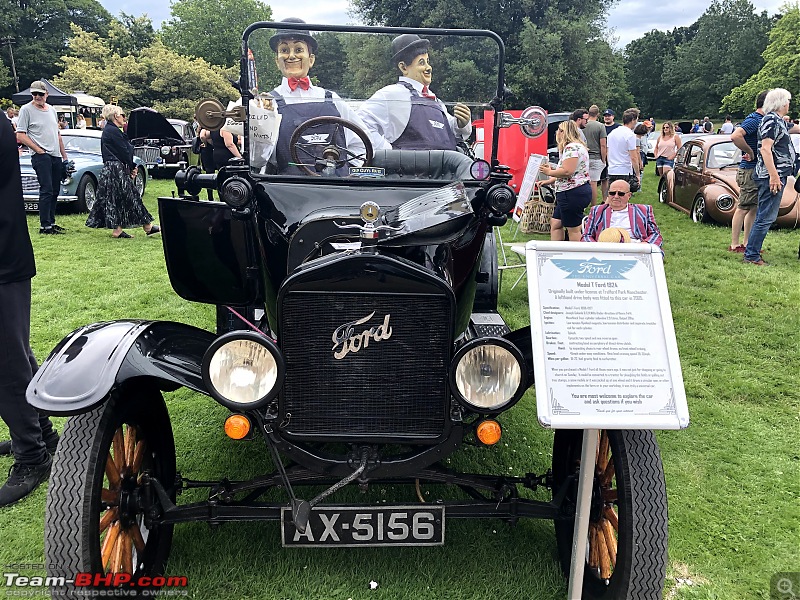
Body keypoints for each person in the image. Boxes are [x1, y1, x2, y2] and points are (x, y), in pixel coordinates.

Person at [0, 110, 59, 507]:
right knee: (14, 354)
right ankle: (41, 431)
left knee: (6, 362)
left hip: (2, 260)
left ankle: (32, 455)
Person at [264, 18, 375, 175]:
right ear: (277, 61)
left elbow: (364, 143)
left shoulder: (332, 99)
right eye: (284, 50)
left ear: (311, 59)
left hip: (337, 190)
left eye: (298, 49)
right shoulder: (269, 103)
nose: (291, 56)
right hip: (289, 191)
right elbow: (260, 159)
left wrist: (350, 174)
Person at [359, 33, 472, 152]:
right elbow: (360, 124)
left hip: (444, 168)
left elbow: (450, 133)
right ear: (403, 67)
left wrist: (460, 123)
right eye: (421, 63)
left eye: (428, 61)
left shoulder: (435, 101)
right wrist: (389, 154)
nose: (428, 68)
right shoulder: (392, 94)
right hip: (408, 170)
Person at [85, 104, 160, 239]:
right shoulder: (113, 131)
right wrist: (132, 166)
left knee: (114, 199)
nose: (124, 118)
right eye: (122, 115)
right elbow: (124, 151)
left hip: (111, 169)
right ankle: (147, 227)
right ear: (115, 116)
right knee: (131, 197)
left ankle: (118, 230)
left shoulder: (110, 130)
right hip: (115, 170)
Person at [744, 88, 799, 266]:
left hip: (776, 175)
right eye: (788, 101)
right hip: (770, 176)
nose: (789, 104)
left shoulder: (779, 121)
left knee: (766, 215)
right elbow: (765, 149)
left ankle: (752, 252)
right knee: (765, 216)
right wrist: (774, 176)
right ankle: (751, 255)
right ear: (781, 102)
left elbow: (796, 128)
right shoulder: (771, 121)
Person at [15, 80, 68, 235]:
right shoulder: (26, 110)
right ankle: (45, 225)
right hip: (41, 156)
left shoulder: (51, 110)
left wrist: (64, 157)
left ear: (47, 94)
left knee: (55, 190)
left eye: (40, 94)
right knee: (46, 189)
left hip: (55, 155)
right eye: (34, 94)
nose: (37, 97)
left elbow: (57, 135)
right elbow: (20, 135)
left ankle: (51, 222)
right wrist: (39, 151)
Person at [539, 120, 591, 241]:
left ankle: (575, 254)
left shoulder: (571, 148)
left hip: (572, 192)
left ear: (565, 132)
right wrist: (550, 180)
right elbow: (568, 170)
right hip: (572, 190)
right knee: (556, 223)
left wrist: (549, 172)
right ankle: (557, 250)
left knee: (573, 228)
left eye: (560, 130)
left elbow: (568, 171)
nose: (557, 132)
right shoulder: (577, 146)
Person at [729, 90, 768, 253]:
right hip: (749, 170)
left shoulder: (763, 119)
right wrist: (750, 152)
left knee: (753, 208)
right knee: (743, 207)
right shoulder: (754, 119)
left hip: (756, 170)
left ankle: (746, 243)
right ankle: (734, 244)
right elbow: (736, 136)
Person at [582, 179, 663, 248]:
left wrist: (644, 245)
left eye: (621, 194)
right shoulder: (597, 211)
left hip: (636, 248)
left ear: (629, 195)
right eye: (612, 193)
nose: (616, 196)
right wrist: (596, 248)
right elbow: (586, 236)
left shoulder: (644, 210)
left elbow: (655, 234)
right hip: (605, 249)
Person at [606, 108, 641, 192]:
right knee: (623, 195)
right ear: (633, 120)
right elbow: (633, 157)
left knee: (612, 195)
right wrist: (637, 174)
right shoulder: (630, 135)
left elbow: (608, 152)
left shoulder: (612, 133)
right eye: (636, 119)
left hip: (612, 169)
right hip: (624, 170)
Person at [584, 104, 607, 205]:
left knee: (583, 182)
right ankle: (593, 206)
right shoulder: (600, 126)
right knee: (593, 183)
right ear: (598, 114)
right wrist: (604, 159)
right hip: (596, 158)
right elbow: (603, 145)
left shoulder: (583, 125)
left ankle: (584, 204)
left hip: (584, 157)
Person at [600, 109, 620, 201]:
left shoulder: (618, 128)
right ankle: (605, 199)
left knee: (613, 178)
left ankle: (613, 197)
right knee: (603, 179)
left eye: (609, 115)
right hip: (603, 155)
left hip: (614, 155)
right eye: (605, 116)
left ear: (613, 117)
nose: (607, 117)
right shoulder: (601, 127)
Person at [198, 128, 216, 200]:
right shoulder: (214, 128)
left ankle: (210, 196)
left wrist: (205, 144)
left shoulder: (204, 128)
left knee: (209, 174)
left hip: (206, 153)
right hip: (214, 151)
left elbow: (202, 136)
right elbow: (202, 136)